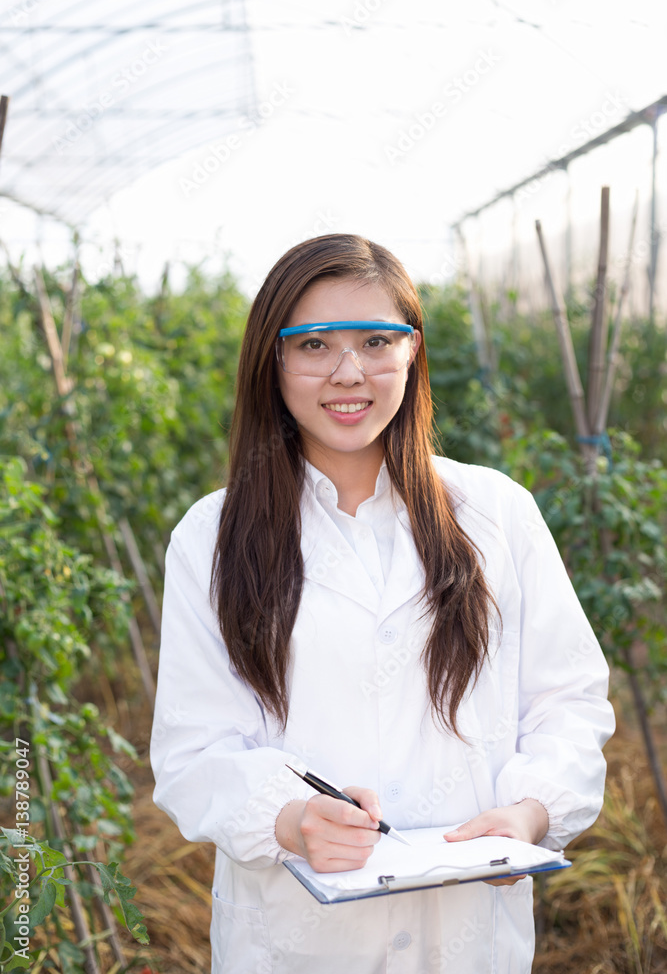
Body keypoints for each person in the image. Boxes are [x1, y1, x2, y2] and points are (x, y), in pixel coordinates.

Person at [150, 233, 615, 974]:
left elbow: (567, 700)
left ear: (411, 353)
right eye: (313, 344)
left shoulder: (493, 511)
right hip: (295, 940)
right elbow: (192, 748)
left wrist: (529, 812)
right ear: (272, 361)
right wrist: (293, 820)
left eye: (375, 340)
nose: (347, 372)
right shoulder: (213, 534)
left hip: (466, 935)